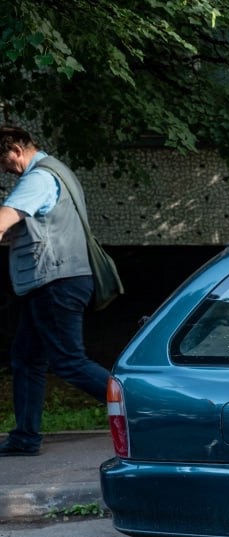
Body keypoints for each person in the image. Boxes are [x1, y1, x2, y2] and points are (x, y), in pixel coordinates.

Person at [0, 126, 110, 457]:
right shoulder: (58, 170)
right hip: (54, 281)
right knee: (27, 358)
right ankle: (25, 438)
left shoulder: (38, 178)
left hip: (56, 281)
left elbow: (4, 218)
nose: (3, 169)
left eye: (2, 160)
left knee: (69, 362)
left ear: (16, 150)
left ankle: (146, 407)